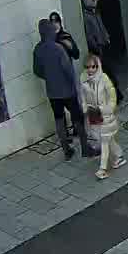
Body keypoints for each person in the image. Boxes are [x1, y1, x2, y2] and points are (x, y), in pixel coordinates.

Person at [32, 18, 85, 160]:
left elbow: (37, 71)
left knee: (59, 120)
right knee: (77, 116)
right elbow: (68, 69)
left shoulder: (38, 49)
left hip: (52, 92)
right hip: (67, 90)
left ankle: (66, 149)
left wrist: (49, 77)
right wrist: (73, 85)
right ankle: (85, 147)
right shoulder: (58, 48)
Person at [79, 54, 124, 179]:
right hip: (93, 116)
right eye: (88, 67)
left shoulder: (104, 78)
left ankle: (102, 169)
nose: (91, 69)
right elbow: (82, 96)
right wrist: (85, 107)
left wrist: (106, 109)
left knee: (104, 141)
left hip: (105, 116)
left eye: (93, 66)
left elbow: (112, 97)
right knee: (105, 140)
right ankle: (119, 156)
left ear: (97, 66)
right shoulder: (83, 80)